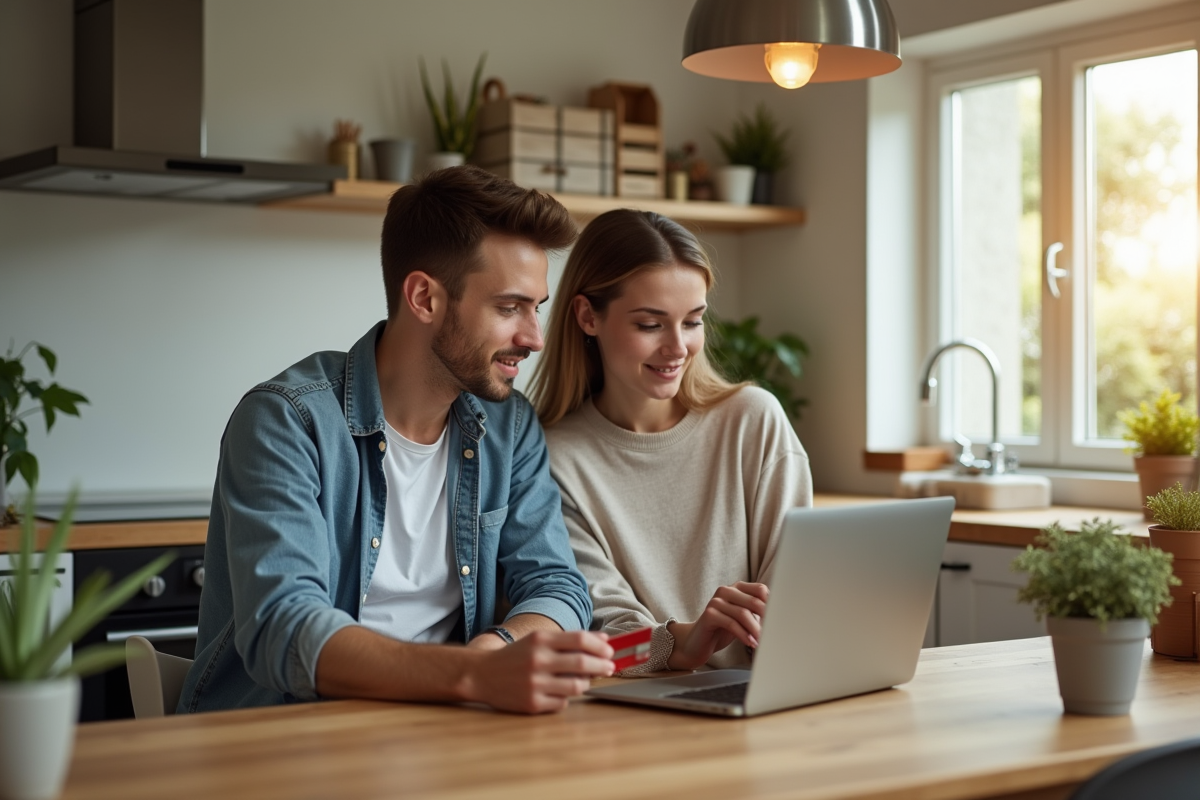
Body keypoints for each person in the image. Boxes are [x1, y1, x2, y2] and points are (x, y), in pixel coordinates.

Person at [179, 166, 614, 715]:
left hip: (438, 731)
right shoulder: (287, 421)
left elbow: (556, 585)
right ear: (424, 298)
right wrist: (474, 674)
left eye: (536, 307)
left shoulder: (508, 426)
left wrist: (498, 649)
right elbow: (284, 630)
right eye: (508, 308)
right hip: (283, 739)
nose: (533, 337)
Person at [527, 209, 812, 673]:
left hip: (766, 700)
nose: (678, 347)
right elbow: (604, 648)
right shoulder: (552, 460)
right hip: (635, 715)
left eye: (693, 321)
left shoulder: (753, 422)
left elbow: (798, 602)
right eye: (650, 324)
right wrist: (681, 643)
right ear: (587, 316)